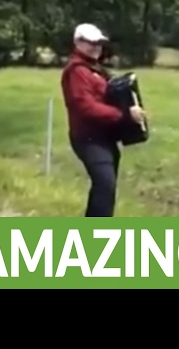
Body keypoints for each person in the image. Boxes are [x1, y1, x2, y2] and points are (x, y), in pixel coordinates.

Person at [61, 23, 146, 217]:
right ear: (78, 43)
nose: (96, 47)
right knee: (105, 184)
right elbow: (85, 107)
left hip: (105, 138)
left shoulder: (95, 69)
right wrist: (123, 115)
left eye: (99, 43)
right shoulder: (77, 71)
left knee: (106, 188)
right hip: (88, 138)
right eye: (91, 43)